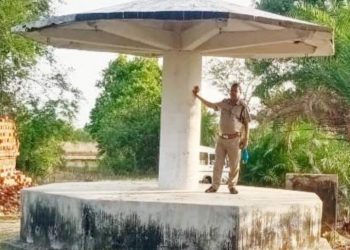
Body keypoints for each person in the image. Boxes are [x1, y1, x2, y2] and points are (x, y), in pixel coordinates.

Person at [192, 83, 250, 194]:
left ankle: (232, 186)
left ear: (240, 93)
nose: (232, 92)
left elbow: (247, 124)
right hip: (222, 139)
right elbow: (211, 104)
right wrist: (198, 95)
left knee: (234, 165)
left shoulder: (243, 107)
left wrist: (245, 139)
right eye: (231, 90)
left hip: (235, 140)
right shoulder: (224, 103)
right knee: (217, 164)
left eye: (235, 91)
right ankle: (214, 186)